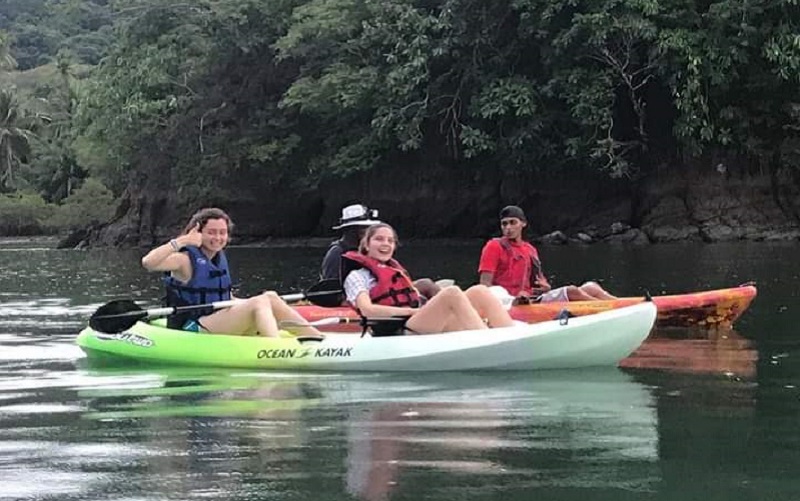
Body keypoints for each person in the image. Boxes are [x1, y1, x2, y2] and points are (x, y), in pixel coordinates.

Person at [141, 207, 320, 337]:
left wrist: (260, 303)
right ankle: (275, 349)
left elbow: (224, 299)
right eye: (211, 232)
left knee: (270, 297)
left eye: (222, 233)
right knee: (259, 302)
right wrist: (182, 240)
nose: (218, 238)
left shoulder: (218, 259)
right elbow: (148, 263)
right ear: (198, 233)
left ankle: (315, 338)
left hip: (218, 319)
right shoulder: (184, 259)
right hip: (192, 326)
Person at [342, 223, 515, 334]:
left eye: (390, 241)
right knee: (452, 292)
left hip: (420, 321)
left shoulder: (395, 271)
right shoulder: (357, 276)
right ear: (366, 244)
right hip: (399, 328)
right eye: (379, 239)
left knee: (480, 291)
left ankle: (510, 335)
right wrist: (411, 312)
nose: (385, 244)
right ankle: (486, 342)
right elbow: (366, 310)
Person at [478, 205, 616, 303]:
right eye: (504, 224)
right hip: (512, 303)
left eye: (512, 223)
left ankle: (625, 305)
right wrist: (507, 300)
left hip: (533, 299)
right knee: (572, 291)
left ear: (523, 224)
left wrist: (546, 287)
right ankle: (608, 310)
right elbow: (485, 286)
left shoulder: (530, 249)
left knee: (591, 286)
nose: (508, 228)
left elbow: (540, 282)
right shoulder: (494, 246)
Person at [321, 203, 441, 299]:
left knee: (427, 284)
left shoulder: (367, 250)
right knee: (426, 285)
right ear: (353, 230)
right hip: (363, 297)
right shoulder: (336, 253)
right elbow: (331, 291)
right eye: (366, 228)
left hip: (381, 291)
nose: (370, 231)